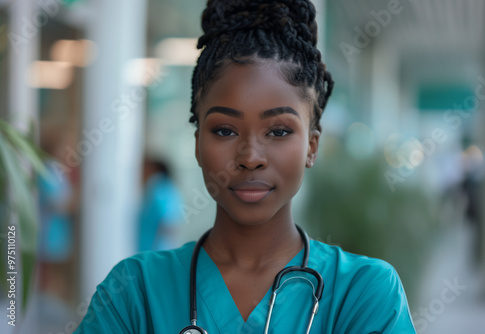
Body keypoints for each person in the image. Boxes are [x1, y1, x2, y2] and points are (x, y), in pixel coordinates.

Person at [75, 0, 416, 332]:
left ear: (311, 146)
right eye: (224, 130)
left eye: (279, 131)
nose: (250, 157)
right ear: (197, 145)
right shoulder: (135, 292)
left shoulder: (364, 293)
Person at [137, 157, 183, 252]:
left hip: (155, 250)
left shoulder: (158, 187)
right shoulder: (170, 189)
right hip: (160, 250)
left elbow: (168, 222)